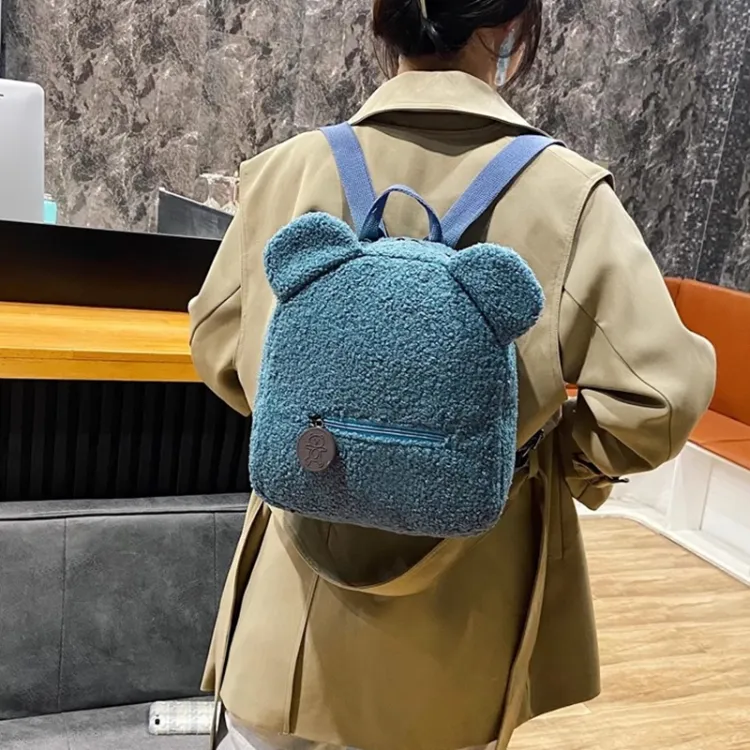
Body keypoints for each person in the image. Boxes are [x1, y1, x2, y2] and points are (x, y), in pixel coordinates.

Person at [189, 1, 716, 748]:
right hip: (463, 630)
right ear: (509, 30)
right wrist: (537, 457)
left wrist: (326, 424)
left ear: (385, 25)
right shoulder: (569, 196)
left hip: (290, 624)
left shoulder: (287, 169)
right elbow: (660, 399)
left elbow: (215, 343)